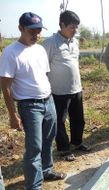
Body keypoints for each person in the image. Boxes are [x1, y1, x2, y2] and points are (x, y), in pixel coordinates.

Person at [0, 12, 66, 190]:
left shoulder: (40, 49)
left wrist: (49, 97)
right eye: (32, 31)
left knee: (48, 140)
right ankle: (34, 186)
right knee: (34, 147)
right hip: (29, 106)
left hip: (48, 100)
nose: (36, 34)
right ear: (20, 28)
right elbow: (5, 86)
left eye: (38, 30)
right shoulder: (10, 52)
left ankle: (47, 170)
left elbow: (42, 76)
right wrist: (13, 115)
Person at [42, 10, 89, 162]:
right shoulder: (50, 43)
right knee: (60, 122)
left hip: (76, 88)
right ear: (62, 25)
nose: (75, 30)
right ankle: (63, 149)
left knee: (78, 119)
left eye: (76, 27)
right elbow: (43, 67)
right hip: (58, 91)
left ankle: (76, 142)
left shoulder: (75, 42)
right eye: (72, 27)